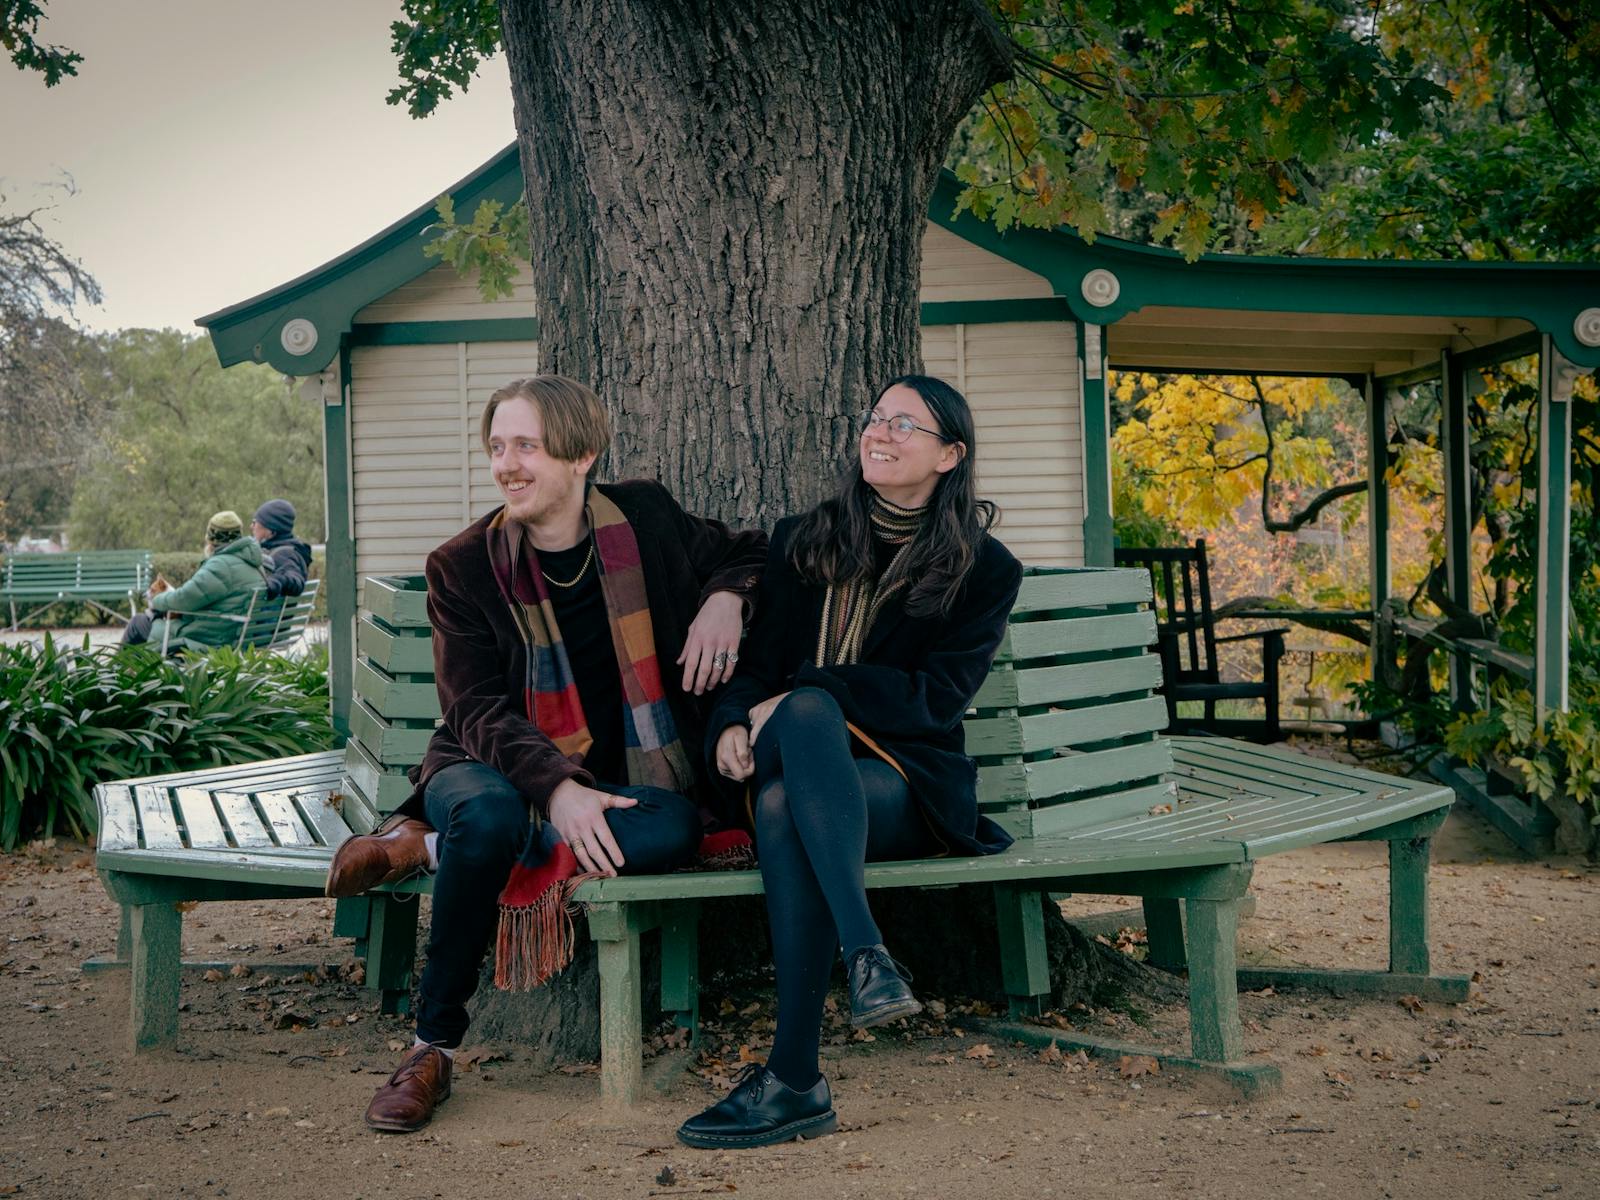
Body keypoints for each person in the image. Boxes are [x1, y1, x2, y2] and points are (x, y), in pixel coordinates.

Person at [323, 374, 766, 1134]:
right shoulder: (462, 566)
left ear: (582, 453)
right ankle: (431, 1047)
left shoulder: (647, 519)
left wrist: (728, 595)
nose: (507, 465)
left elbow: (751, 552)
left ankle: (430, 850)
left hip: (620, 779)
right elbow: (474, 709)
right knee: (491, 814)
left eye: (526, 445)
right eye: (498, 447)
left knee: (673, 828)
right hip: (483, 762)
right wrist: (557, 787)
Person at [677, 375, 1022, 1150]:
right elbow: (760, 666)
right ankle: (867, 953)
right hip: (783, 748)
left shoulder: (983, 568)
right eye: (875, 418)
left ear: (950, 455)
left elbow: (935, 700)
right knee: (799, 721)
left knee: (781, 803)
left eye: (905, 424)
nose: (880, 432)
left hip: (900, 782)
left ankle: (795, 1078)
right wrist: (734, 717)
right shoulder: (806, 538)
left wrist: (815, 691)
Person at [120, 511, 269, 652]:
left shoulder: (220, 566)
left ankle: (117, 675)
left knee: (138, 623)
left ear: (212, 539)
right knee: (148, 623)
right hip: (231, 635)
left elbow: (184, 599)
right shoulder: (253, 563)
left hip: (207, 639)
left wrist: (156, 600)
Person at [251, 499, 312, 600]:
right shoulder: (287, 549)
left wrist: (276, 580)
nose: (251, 526)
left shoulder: (283, 554)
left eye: (255, 522)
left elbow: (295, 579)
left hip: (270, 615)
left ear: (270, 530)